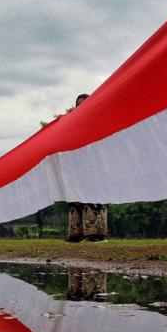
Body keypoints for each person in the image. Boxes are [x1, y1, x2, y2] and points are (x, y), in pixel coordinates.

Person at [63, 93, 108, 242]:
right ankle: (76, 233)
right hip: (76, 165)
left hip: (94, 164)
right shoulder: (71, 123)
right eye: (79, 104)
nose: (81, 107)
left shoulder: (97, 120)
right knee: (75, 198)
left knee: (93, 196)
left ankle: (96, 233)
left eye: (84, 103)